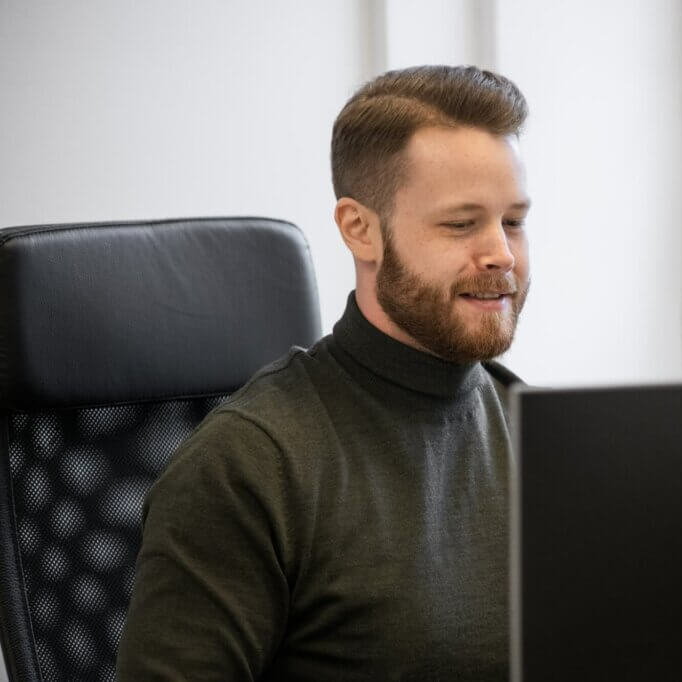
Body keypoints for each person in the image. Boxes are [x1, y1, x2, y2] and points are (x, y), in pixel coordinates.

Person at [116, 64, 531, 680]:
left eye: (514, 221)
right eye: (461, 223)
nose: (500, 253)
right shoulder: (248, 466)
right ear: (360, 230)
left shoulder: (536, 429)